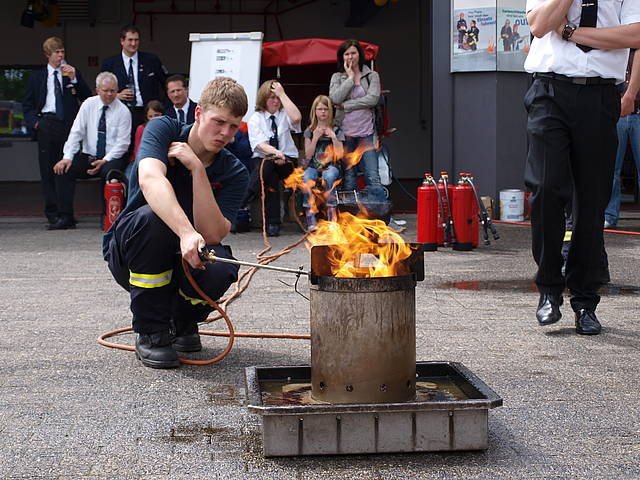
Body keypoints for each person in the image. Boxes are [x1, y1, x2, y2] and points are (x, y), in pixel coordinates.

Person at [103, 77, 249, 369]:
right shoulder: (163, 129)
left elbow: (213, 234)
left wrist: (197, 169)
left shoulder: (235, 172)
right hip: (134, 250)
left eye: (234, 126)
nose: (225, 133)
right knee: (153, 219)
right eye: (219, 122)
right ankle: (152, 332)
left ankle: (182, 322)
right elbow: (150, 178)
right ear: (199, 113)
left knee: (222, 268)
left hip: (188, 257)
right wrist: (185, 232)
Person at [524, 0, 640, 335]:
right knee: (545, 188)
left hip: (600, 95)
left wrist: (571, 32)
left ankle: (585, 301)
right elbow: (540, 26)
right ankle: (549, 288)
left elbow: (633, 34)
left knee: (591, 201)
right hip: (549, 90)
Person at [22, 36, 91, 227]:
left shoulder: (71, 74)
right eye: (57, 52)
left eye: (62, 52)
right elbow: (27, 104)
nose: (61, 56)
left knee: (67, 169)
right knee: (48, 171)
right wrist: (36, 123)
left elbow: (86, 97)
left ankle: (66, 213)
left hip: (67, 125)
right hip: (46, 123)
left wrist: (75, 78)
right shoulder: (37, 77)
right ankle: (52, 214)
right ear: (47, 55)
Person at [51, 72, 131, 229]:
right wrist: (67, 157)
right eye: (105, 90)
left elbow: (123, 144)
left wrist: (105, 160)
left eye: (113, 91)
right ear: (97, 90)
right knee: (64, 170)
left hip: (112, 157)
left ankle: (108, 217)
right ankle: (66, 217)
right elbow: (76, 132)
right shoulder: (88, 104)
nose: (109, 94)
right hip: (89, 156)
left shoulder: (123, 111)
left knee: (109, 172)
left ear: (117, 90)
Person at [329, 39, 387, 210]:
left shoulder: (371, 75)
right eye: (346, 54)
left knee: (372, 175)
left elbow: (373, 99)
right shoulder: (337, 77)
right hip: (345, 134)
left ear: (360, 55)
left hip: (367, 134)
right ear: (342, 57)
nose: (350, 57)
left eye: (353, 53)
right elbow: (335, 99)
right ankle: (351, 214)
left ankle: (380, 214)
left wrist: (347, 106)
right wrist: (350, 78)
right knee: (349, 177)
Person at [244, 79, 301, 237]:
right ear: (264, 98)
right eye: (272, 98)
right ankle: (273, 224)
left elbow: (296, 118)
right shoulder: (256, 118)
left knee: (269, 167)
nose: (276, 101)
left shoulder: (285, 114)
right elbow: (260, 145)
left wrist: (282, 94)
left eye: (278, 98)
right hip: (266, 159)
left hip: (287, 161)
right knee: (270, 173)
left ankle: (245, 198)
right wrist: (276, 154)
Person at [101, 25, 167, 139]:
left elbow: (166, 84)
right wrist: (117, 95)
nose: (133, 43)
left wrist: (162, 107)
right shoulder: (110, 63)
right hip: (121, 111)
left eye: (136, 40)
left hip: (148, 112)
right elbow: (101, 90)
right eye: (130, 40)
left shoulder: (151, 60)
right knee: (123, 144)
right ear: (122, 41)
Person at [605, 49, 640, 229]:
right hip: (615, 113)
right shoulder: (616, 46)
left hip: (638, 113)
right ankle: (610, 216)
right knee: (611, 169)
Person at [302, 95, 344, 230]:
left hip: (332, 165)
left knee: (329, 176)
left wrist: (334, 138)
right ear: (315, 111)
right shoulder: (310, 130)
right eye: (320, 109)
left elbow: (340, 155)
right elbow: (308, 155)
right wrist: (315, 138)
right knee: (307, 177)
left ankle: (332, 216)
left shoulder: (336, 129)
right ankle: (310, 217)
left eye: (326, 109)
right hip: (313, 165)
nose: (323, 112)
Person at [126, 100, 165, 179]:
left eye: (156, 115)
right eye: (150, 116)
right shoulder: (141, 129)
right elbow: (137, 150)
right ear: (146, 117)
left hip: (159, 161)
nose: (153, 119)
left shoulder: (165, 129)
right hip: (139, 161)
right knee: (129, 177)